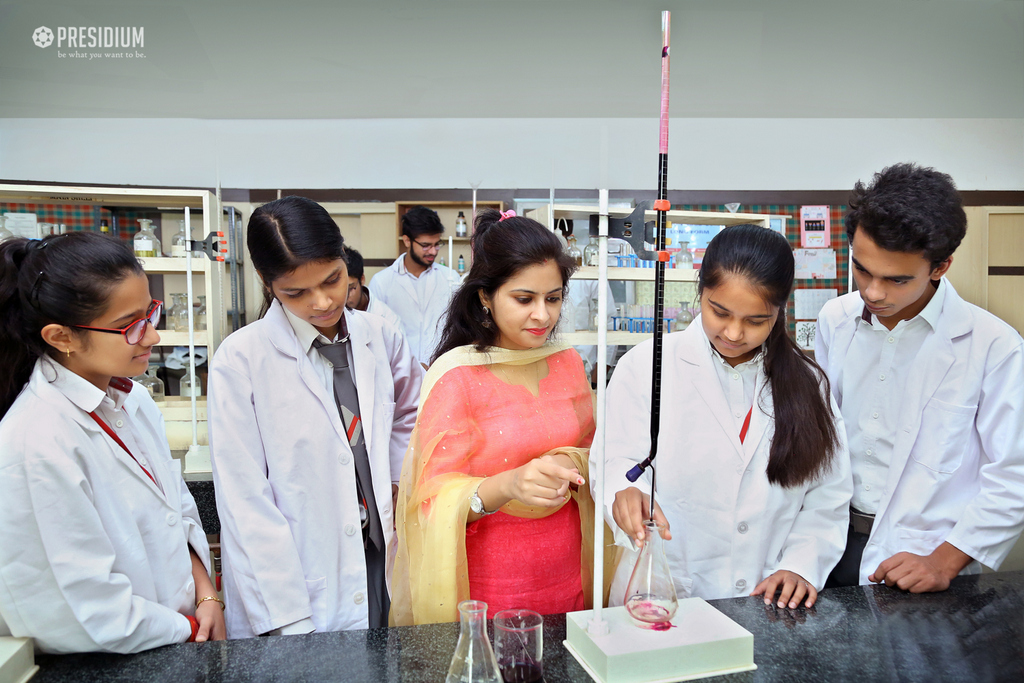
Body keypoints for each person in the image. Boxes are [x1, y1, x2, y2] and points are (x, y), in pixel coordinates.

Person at [600, 224, 852, 609]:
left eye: (756, 320)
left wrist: (802, 565)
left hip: (768, 594)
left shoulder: (808, 383)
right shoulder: (646, 367)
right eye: (720, 312)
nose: (734, 332)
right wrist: (623, 491)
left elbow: (827, 493)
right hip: (666, 590)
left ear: (780, 310)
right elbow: (614, 458)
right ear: (700, 291)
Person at [208, 196, 422, 637]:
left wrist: (398, 479)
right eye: (296, 292)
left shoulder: (381, 335)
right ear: (267, 284)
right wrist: (287, 615)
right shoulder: (241, 360)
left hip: (383, 555)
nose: (323, 301)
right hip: (303, 577)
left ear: (345, 261)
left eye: (332, 280)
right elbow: (245, 499)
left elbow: (409, 414)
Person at [0, 233, 224, 653]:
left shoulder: (133, 399)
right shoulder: (34, 443)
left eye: (149, 314)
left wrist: (207, 595)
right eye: (128, 326)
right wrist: (187, 627)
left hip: (181, 635)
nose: (152, 337)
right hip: (116, 659)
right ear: (61, 337)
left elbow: (177, 510)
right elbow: (80, 613)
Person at [816, 163, 1024, 591]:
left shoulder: (992, 346)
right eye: (862, 269)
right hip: (829, 539)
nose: (873, 292)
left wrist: (943, 562)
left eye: (896, 279)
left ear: (940, 266)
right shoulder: (835, 320)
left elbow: (1013, 475)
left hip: (925, 556)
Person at [391, 209, 600, 625]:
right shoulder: (458, 376)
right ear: (486, 296)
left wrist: (570, 463)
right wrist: (506, 485)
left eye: (553, 298)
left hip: (568, 575)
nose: (543, 315)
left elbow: (593, 456)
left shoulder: (568, 363)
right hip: (491, 590)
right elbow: (429, 504)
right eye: (524, 299)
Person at [368, 205, 462, 365]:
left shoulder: (449, 278)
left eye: (437, 244)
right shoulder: (382, 282)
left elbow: (458, 325)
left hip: (440, 367)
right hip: (398, 370)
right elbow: (373, 331)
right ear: (407, 241)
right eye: (426, 245)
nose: (433, 252)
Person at [343, 245, 405, 333]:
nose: (344, 296)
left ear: (362, 279)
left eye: (350, 288)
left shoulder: (389, 319)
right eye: (340, 290)